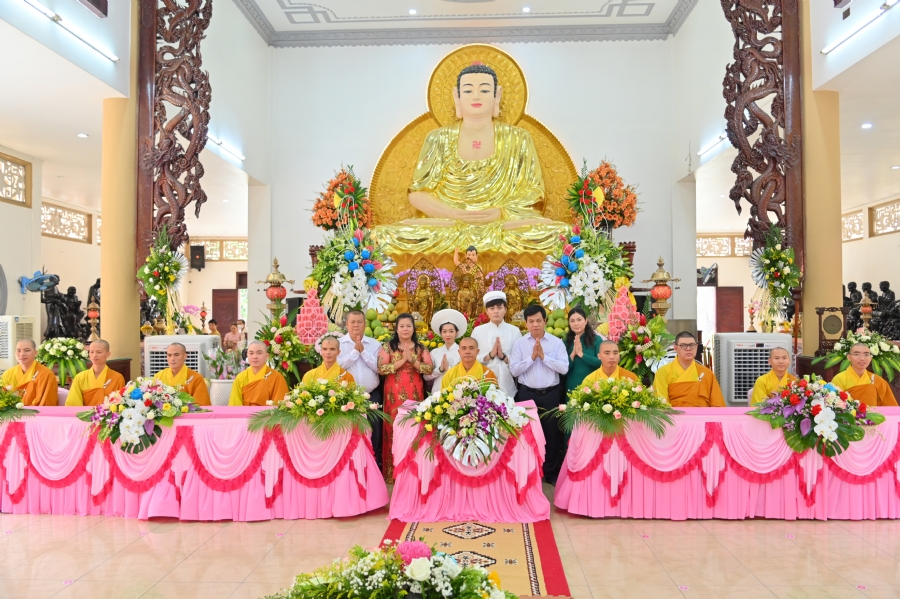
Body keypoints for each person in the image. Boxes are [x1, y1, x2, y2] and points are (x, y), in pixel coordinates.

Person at [373, 62, 570, 254]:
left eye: (484, 90)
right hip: (448, 226)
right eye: (468, 90)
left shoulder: (518, 138)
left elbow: (534, 194)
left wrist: (500, 212)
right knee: (385, 235)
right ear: (456, 96)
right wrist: (451, 213)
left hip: (504, 225)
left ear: (497, 95)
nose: (476, 96)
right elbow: (417, 194)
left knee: (560, 234)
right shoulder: (438, 138)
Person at [510, 305, 569, 485]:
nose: (535, 325)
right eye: (531, 321)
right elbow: (514, 370)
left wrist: (544, 357)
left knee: (551, 435)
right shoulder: (520, 344)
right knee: (527, 435)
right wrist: (531, 358)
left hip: (550, 395)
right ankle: (529, 474)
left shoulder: (556, 343)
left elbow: (564, 368)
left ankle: (550, 473)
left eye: (538, 321)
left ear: (545, 321)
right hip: (527, 394)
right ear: (526, 324)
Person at [377, 313, 434, 482]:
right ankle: (392, 473)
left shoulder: (420, 348)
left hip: (414, 392)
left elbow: (429, 369)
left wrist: (414, 362)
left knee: (414, 428)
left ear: (413, 328)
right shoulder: (388, 347)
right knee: (393, 429)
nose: (405, 329)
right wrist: (402, 361)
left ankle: (412, 473)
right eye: (401, 326)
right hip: (393, 393)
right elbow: (381, 369)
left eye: (408, 326)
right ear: (396, 328)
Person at [339, 310, 385, 470]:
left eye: (360, 322)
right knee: (349, 433)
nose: (356, 325)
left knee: (374, 432)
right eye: (353, 322)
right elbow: (338, 367)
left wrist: (364, 352)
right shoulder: (339, 343)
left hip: (371, 396)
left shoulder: (374, 344)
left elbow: (380, 368)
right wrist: (353, 353)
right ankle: (349, 467)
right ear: (347, 324)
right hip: (346, 397)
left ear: (365, 324)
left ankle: (373, 467)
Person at [654, 332, 725, 407]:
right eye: (683, 345)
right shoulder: (663, 372)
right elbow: (661, 403)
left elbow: (717, 404)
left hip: (703, 417)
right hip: (674, 417)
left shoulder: (706, 373)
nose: (688, 349)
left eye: (692, 345)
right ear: (675, 348)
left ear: (696, 347)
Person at [472, 291, 522, 397]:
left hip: (508, 382)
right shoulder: (478, 331)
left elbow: (520, 359)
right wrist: (489, 355)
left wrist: (504, 357)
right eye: (492, 308)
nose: (496, 311)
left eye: (499, 308)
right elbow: (470, 357)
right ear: (486, 311)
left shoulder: (515, 331)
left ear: (505, 309)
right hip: (483, 381)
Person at [831, 343, 898, 406]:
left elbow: (890, 407)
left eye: (866, 355)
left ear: (870, 358)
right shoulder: (839, 379)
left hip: (873, 417)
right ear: (849, 357)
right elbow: (835, 406)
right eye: (856, 354)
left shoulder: (878, 380)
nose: (862, 358)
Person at [229, 341, 290, 406]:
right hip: (245, 415)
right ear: (247, 355)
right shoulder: (240, 378)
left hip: (268, 415)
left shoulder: (277, 377)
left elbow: (280, 406)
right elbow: (235, 406)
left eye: (259, 353)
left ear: (266, 356)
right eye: (251, 353)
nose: (254, 357)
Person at [66, 339, 126, 406]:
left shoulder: (117, 378)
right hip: (85, 415)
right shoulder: (80, 377)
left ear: (108, 354)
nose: (94, 355)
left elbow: (120, 404)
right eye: (91, 352)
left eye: (99, 352)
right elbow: (73, 404)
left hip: (107, 415)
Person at [0, 339, 58, 406]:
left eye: (27, 350)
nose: (22, 354)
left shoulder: (46, 374)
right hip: (11, 414)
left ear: (35, 353)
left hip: (36, 414)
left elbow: (47, 402)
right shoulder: (8, 374)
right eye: (18, 351)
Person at [565, 307, 604, 394]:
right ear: (569, 323)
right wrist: (573, 354)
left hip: (592, 387)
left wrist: (581, 354)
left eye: (579, 320)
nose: (576, 323)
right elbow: (563, 369)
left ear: (586, 321)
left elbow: (602, 362)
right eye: (572, 321)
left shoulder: (597, 340)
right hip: (572, 388)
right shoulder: (566, 342)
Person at [425, 309, 466, 392]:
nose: (448, 334)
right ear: (441, 333)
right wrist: (440, 369)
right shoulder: (435, 352)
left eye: (451, 331)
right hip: (437, 392)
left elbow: (465, 375)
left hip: (456, 392)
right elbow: (426, 376)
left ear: (456, 332)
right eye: (444, 331)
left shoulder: (463, 352)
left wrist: (448, 369)